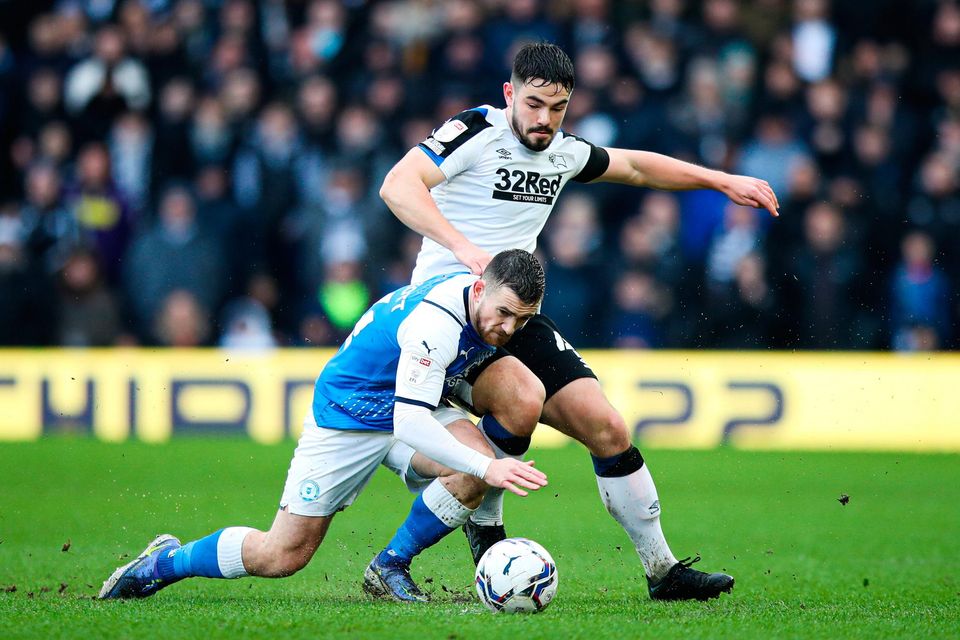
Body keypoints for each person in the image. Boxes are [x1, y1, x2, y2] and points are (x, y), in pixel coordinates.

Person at [376, 42, 780, 602]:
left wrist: (718, 180)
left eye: (558, 108)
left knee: (608, 428)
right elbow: (397, 185)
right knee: (519, 403)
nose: (545, 120)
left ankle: (662, 572)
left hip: (518, 315)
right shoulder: (473, 131)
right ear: (509, 94)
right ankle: (425, 549)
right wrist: (468, 252)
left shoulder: (563, 152)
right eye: (535, 104)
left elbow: (635, 166)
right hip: (456, 311)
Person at [98, 249, 549, 601]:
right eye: (504, 313)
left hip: (403, 402)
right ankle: (163, 563)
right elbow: (410, 421)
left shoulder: (479, 303)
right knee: (283, 555)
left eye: (522, 319)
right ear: (477, 290)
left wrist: (485, 466)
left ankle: (389, 566)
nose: (509, 328)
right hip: (349, 412)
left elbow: (413, 413)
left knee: (473, 464)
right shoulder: (436, 323)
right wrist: (490, 471)